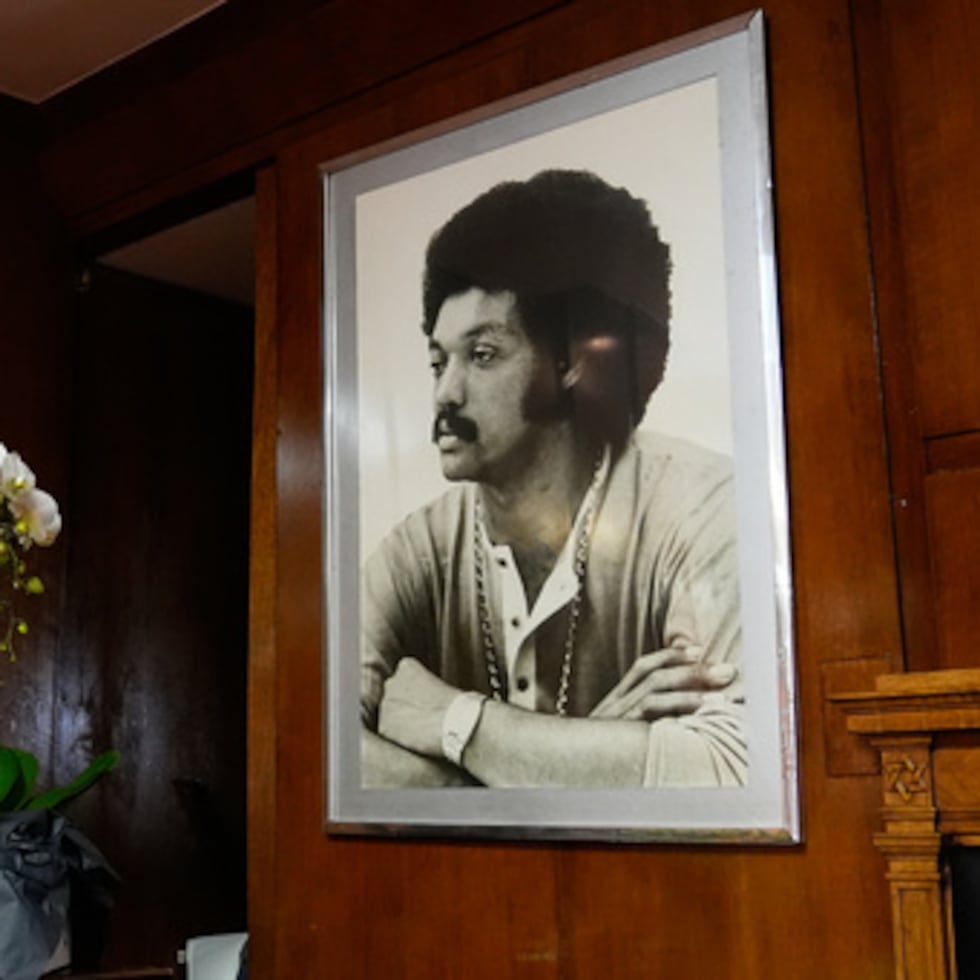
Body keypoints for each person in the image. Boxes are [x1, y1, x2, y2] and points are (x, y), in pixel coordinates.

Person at [360, 169, 744, 789]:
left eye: (482, 356)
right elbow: (322, 751)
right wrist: (559, 763)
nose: (444, 392)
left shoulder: (701, 507)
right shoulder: (415, 552)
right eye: (438, 360)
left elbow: (731, 769)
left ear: (571, 361)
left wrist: (456, 723)